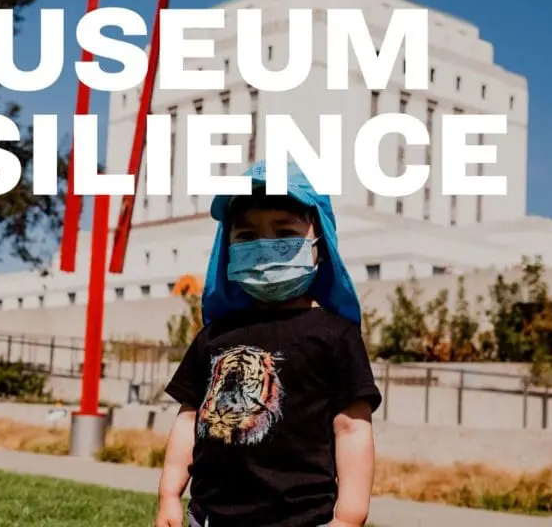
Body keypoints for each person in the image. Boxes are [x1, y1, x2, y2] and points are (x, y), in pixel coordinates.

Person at [156, 161, 382, 527]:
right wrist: (169, 494)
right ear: (225, 248)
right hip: (210, 517)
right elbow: (189, 418)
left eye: (284, 232)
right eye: (246, 237)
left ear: (318, 245)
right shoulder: (214, 336)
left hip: (301, 519)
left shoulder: (334, 335)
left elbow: (352, 427)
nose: (264, 248)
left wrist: (349, 516)